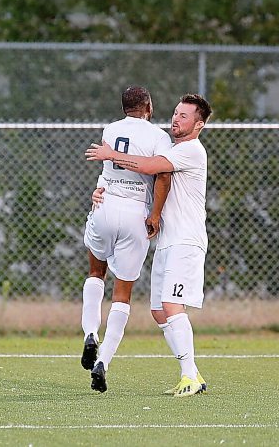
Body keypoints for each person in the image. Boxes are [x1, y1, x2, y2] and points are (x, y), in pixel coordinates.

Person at [86, 93, 212, 398]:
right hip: (167, 242)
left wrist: (111, 154)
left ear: (199, 124)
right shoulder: (173, 146)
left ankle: (188, 376)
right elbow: (140, 178)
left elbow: (149, 166)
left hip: (186, 241)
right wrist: (103, 190)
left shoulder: (191, 151)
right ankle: (193, 373)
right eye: (176, 113)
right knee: (158, 310)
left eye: (184, 116)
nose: (176, 119)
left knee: (171, 305)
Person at [81, 86, 172, 393]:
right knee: (122, 293)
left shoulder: (110, 128)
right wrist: (155, 215)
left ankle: (89, 334)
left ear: (124, 108)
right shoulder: (159, 136)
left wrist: (97, 191)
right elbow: (162, 176)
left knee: (96, 272)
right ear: (148, 106)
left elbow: (106, 169)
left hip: (104, 205)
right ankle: (102, 362)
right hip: (135, 213)